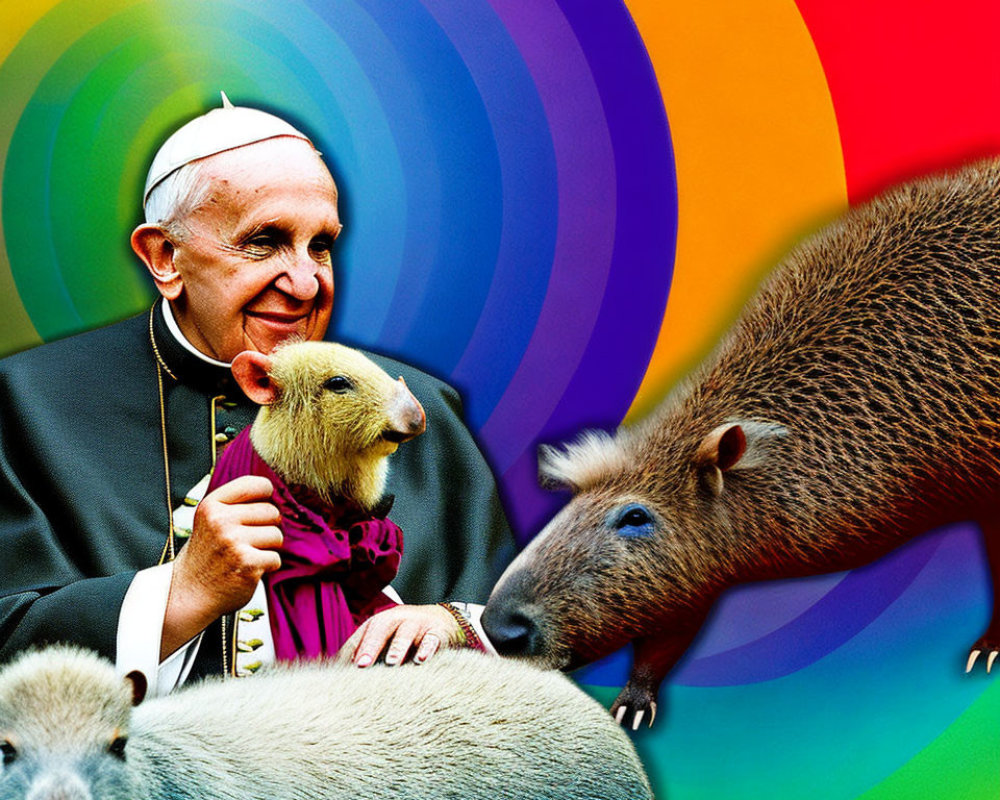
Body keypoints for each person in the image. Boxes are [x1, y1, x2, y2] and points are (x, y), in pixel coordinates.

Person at [0, 96, 514, 693]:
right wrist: (177, 596)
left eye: (320, 245)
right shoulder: (26, 404)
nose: (304, 282)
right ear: (165, 257)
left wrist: (452, 627)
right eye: (264, 241)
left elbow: (526, 628)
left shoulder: (418, 407)